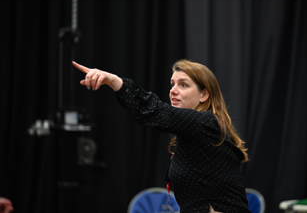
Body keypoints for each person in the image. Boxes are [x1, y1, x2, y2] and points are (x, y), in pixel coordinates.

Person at [73, 59, 250, 213]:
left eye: (183, 85)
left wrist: (114, 81)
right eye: (172, 84)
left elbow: (156, 112)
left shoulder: (205, 123)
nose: (173, 90)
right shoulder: (192, 134)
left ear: (204, 94)